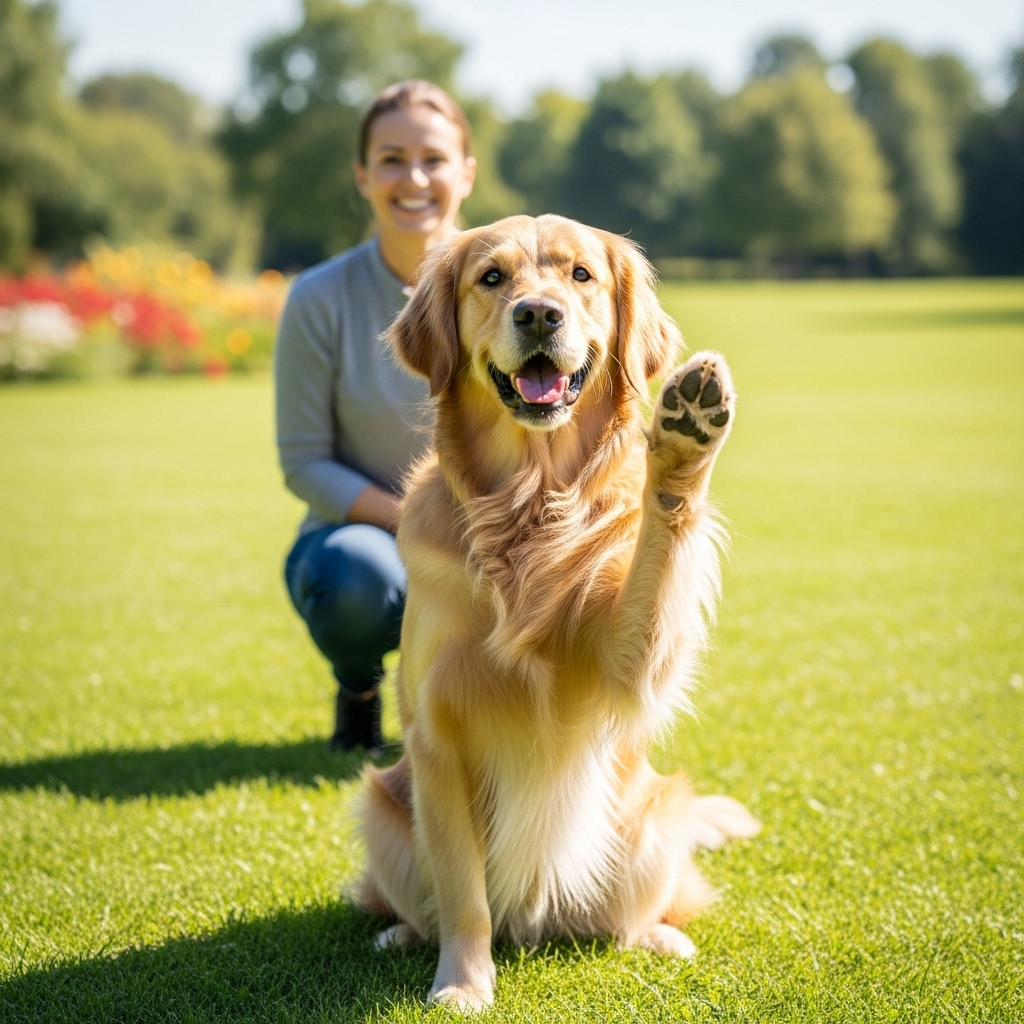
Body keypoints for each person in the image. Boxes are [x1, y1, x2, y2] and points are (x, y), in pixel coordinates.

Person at [274, 80, 477, 753]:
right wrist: (419, 520)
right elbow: (304, 462)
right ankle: (360, 687)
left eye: (434, 158)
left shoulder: (515, 286)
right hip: (368, 538)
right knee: (356, 583)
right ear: (363, 175)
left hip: (498, 528)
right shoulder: (318, 297)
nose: (413, 177)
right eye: (391, 158)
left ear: (467, 173)